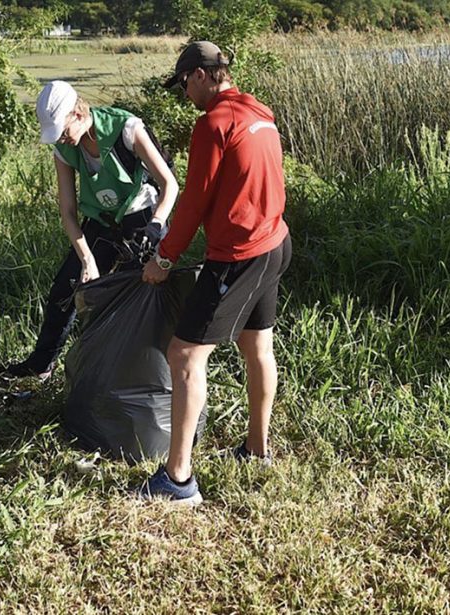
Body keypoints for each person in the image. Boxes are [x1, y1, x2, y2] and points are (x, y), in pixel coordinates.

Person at [140, 42, 292, 506]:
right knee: (257, 345)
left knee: (184, 355)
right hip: (276, 242)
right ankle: (257, 449)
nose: (184, 92)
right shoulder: (257, 109)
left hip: (238, 256)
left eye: (184, 82)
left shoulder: (212, 124)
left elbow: (193, 203)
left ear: (202, 75)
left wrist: (164, 259)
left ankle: (178, 480)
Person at [5, 80, 179, 380]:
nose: (60, 138)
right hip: (100, 221)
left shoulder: (126, 129)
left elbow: (170, 185)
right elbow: (68, 212)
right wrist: (87, 260)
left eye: (62, 129)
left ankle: (130, 375)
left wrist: (156, 224)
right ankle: (41, 365)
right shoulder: (64, 148)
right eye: (55, 134)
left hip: (141, 218)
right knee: (65, 287)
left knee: (130, 297)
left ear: (77, 111)